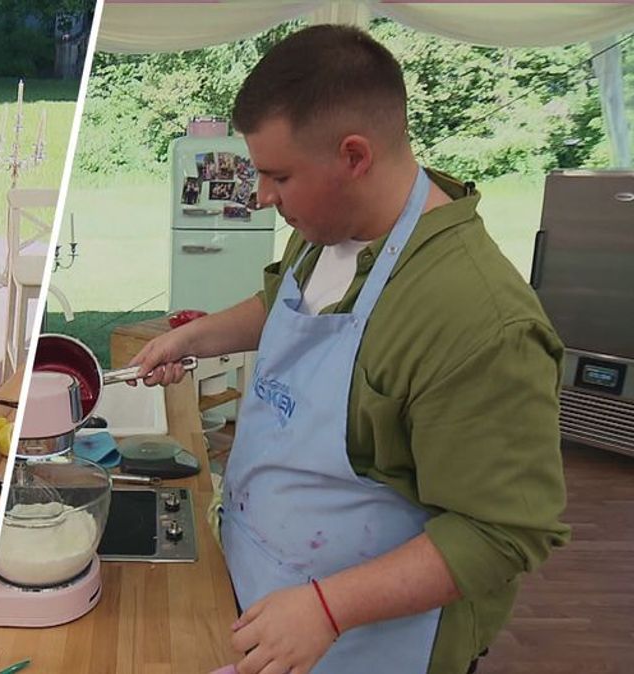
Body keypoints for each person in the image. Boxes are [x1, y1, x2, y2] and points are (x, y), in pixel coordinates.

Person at [130, 26, 569, 674]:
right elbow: (282, 303)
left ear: (355, 156)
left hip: (363, 642)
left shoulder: (480, 321)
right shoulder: (325, 227)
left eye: (279, 176)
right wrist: (193, 338)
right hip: (263, 593)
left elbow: (503, 533)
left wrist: (328, 610)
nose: (262, 198)